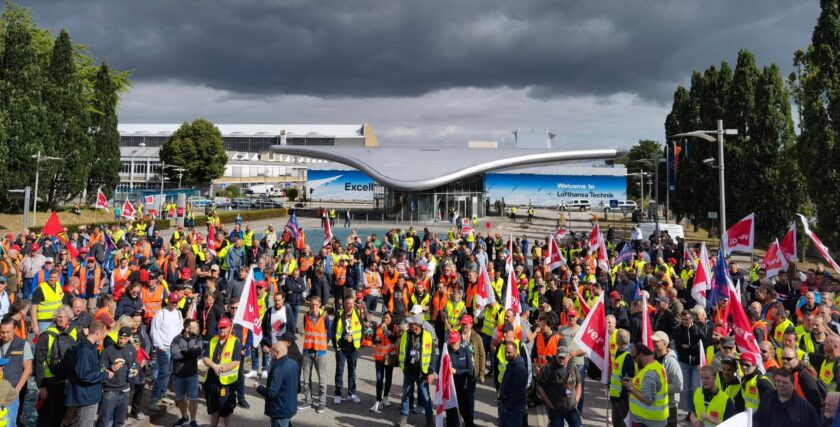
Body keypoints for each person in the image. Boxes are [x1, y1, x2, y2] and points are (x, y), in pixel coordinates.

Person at [34, 304, 77, 427]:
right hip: (48, 384)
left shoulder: (75, 332)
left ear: (69, 318)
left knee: (61, 416)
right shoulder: (46, 335)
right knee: (45, 418)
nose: (61, 319)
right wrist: (41, 385)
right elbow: (38, 361)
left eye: (64, 317)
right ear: (55, 318)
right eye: (59, 317)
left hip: (66, 382)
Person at [66, 320, 114, 427]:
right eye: (103, 333)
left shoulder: (90, 348)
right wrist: (105, 375)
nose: (104, 336)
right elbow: (84, 375)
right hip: (86, 398)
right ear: (97, 333)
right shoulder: (84, 350)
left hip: (90, 395)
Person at [397, 315, 437, 427]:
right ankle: (403, 417)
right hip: (409, 372)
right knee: (406, 394)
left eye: (411, 323)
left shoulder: (428, 336)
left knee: (426, 397)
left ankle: (429, 420)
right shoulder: (406, 335)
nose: (408, 325)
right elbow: (402, 350)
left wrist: (431, 372)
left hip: (422, 373)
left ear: (417, 326)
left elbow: (433, 355)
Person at [202, 316, 241, 427]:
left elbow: (236, 362)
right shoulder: (213, 340)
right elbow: (205, 358)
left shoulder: (235, 341)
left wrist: (222, 369)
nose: (222, 330)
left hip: (226, 383)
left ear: (229, 328)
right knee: (213, 408)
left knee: (226, 411)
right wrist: (214, 366)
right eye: (220, 327)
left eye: (224, 327)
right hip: (211, 381)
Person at [97, 326, 137, 427]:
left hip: (125, 390)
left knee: (120, 421)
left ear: (128, 338)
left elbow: (134, 362)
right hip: (110, 390)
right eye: (120, 337)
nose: (121, 340)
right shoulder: (107, 351)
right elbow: (101, 368)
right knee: (104, 421)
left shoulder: (131, 348)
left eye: (125, 338)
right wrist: (111, 367)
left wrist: (136, 369)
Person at [150, 292, 184, 410]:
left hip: (174, 347)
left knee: (169, 372)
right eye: (172, 301)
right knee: (162, 373)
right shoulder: (161, 314)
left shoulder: (179, 313)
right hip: (163, 347)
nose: (174, 304)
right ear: (168, 300)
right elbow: (154, 330)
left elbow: (180, 328)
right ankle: (154, 399)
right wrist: (159, 345)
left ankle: (163, 394)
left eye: (176, 302)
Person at [256, 341, 300, 427]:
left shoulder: (278, 369)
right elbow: (297, 387)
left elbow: (271, 393)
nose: (270, 353)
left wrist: (258, 387)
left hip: (280, 410)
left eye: (271, 351)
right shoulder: (294, 364)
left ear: (277, 353)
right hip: (290, 406)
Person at [754, 368, 820, 426]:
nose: (780, 384)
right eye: (778, 381)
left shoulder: (805, 409)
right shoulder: (767, 398)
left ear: (793, 385)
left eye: (785, 382)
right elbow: (757, 420)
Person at [623, 344, 668, 427]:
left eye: (634, 357)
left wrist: (631, 388)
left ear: (641, 355)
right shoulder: (656, 366)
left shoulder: (650, 373)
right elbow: (646, 384)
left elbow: (648, 400)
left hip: (649, 421)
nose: (634, 361)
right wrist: (632, 380)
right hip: (651, 419)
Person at [537, 345, 582, 427]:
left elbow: (578, 383)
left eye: (563, 358)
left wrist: (576, 400)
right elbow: (540, 387)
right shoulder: (549, 368)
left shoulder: (573, 367)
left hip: (571, 407)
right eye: (559, 357)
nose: (561, 360)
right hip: (556, 408)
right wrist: (549, 404)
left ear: (568, 357)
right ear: (556, 356)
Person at [300, 295, 330, 413]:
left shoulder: (325, 316)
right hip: (307, 350)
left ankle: (322, 402)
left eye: (316, 304)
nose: (314, 306)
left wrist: (324, 344)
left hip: (320, 351)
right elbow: (306, 330)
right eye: (312, 304)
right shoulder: (306, 315)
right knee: (306, 378)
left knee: (322, 378)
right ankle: (308, 400)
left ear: (320, 304)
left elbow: (329, 332)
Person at [171, 318, 203, 427]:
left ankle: (193, 420)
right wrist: (190, 352)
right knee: (180, 398)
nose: (197, 329)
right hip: (178, 374)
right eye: (195, 327)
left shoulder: (198, 337)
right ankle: (184, 417)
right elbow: (175, 354)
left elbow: (198, 351)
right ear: (187, 328)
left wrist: (184, 352)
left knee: (193, 399)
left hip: (192, 374)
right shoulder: (176, 339)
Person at [0, 316, 31, 427]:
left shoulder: (23, 344)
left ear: (14, 330)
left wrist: (17, 390)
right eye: (2, 332)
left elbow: (28, 369)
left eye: (8, 332)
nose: (5, 335)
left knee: (9, 423)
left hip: (11, 392)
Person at [332, 296, 363, 405]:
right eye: (348, 303)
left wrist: (359, 343)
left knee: (352, 371)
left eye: (351, 303)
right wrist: (336, 347)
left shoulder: (357, 314)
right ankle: (338, 394)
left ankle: (351, 393)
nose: (350, 305)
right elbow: (333, 330)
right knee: (340, 371)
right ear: (344, 304)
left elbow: (361, 328)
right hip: (341, 348)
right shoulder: (339, 314)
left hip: (353, 347)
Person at [652, 331, 683, 427]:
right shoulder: (653, 358)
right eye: (653, 340)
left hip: (669, 406)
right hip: (655, 404)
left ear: (665, 343)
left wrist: (659, 387)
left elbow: (678, 386)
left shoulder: (671, 362)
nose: (653, 343)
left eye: (656, 341)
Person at [447, 329, 475, 427]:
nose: (453, 345)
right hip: (450, 389)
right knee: (451, 415)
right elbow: (439, 369)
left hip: (463, 389)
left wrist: (456, 371)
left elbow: (470, 371)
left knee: (466, 413)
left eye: (454, 343)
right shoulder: (446, 352)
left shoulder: (465, 351)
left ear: (459, 341)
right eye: (451, 343)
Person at [371, 311, 396, 413]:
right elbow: (373, 340)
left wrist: (386, 331)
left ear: (391, 319)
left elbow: (394, 339)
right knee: (379, 379)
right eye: (384, 318)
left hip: (389, 357)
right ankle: (378, 400)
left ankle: (385, 396)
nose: (385, 320)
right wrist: (375, 339)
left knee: (388, 377)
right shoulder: (377, 326)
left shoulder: (394, 328)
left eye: (387, 318)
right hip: (379, 357)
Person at [609, 329, 635, 427]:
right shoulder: (619, 352)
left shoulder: (627, 357)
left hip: (621, 398)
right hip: (615, 395)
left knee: (621, 423)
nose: (614, 338)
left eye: (616, 337)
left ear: (619, 340)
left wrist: (623, 397)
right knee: (616, 422)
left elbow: (627, 379)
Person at [499, 341, 528, 427]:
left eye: (509, 352)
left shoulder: (519, 369)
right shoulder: (511, 363)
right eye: (506, 352)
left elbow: (517, 392)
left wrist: (508, 407)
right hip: (507, 406)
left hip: (513, 409)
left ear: (515, 352)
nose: (506, 355)